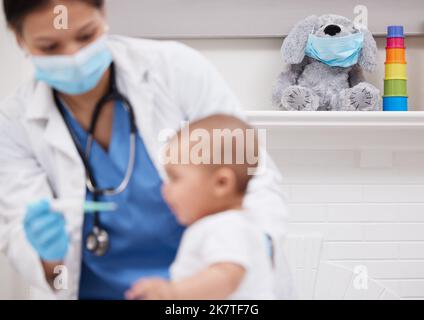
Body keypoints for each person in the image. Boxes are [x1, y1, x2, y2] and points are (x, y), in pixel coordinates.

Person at [0, 0, 288, 299]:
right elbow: (26, 239)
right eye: (49, 47)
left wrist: (241, 252)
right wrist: (48, 255)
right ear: (19, 38)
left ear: (104, 15)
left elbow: (250, 173)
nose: (74, 57)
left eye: (86, 36)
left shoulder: (174, 69)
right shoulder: (13, 123)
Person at [126, 115, 275, 300]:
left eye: (175, 178)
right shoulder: (226, 224)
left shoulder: (228, 226)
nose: (165, 187)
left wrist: (171, 293)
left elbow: (226, 277)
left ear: (221, 183)